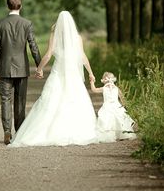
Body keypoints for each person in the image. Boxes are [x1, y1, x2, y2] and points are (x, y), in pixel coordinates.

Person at [9, 10, 98, 147]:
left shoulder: (54, 36)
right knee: (74, 100)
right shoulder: (77, 38)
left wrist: (39, 69)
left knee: (51, 100)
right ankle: (75, 129)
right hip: (73, 75)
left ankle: (47, 132)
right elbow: (83, 57)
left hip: (58, 73)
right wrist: (90, 72)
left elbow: (48, 55)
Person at [0, 0, 41, 145]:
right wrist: (39, 65)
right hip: (21, 68)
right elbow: (33, 45)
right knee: (20, 101)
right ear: (21, 6)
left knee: (5, 100)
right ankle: (19, 131)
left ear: (8, 6)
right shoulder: (27, 23)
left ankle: (7, 131)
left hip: (4, 68)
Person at [90, 71, 137, 142]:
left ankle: (111, 135)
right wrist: (124, 105)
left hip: (108, 107)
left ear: (104, 81)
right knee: (119, 119)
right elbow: (122, 97)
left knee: (109, 120)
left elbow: (94, 90)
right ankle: (123, 134)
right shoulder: (116, 88)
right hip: (116, 106)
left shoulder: (104, 88)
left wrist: (92, 82)